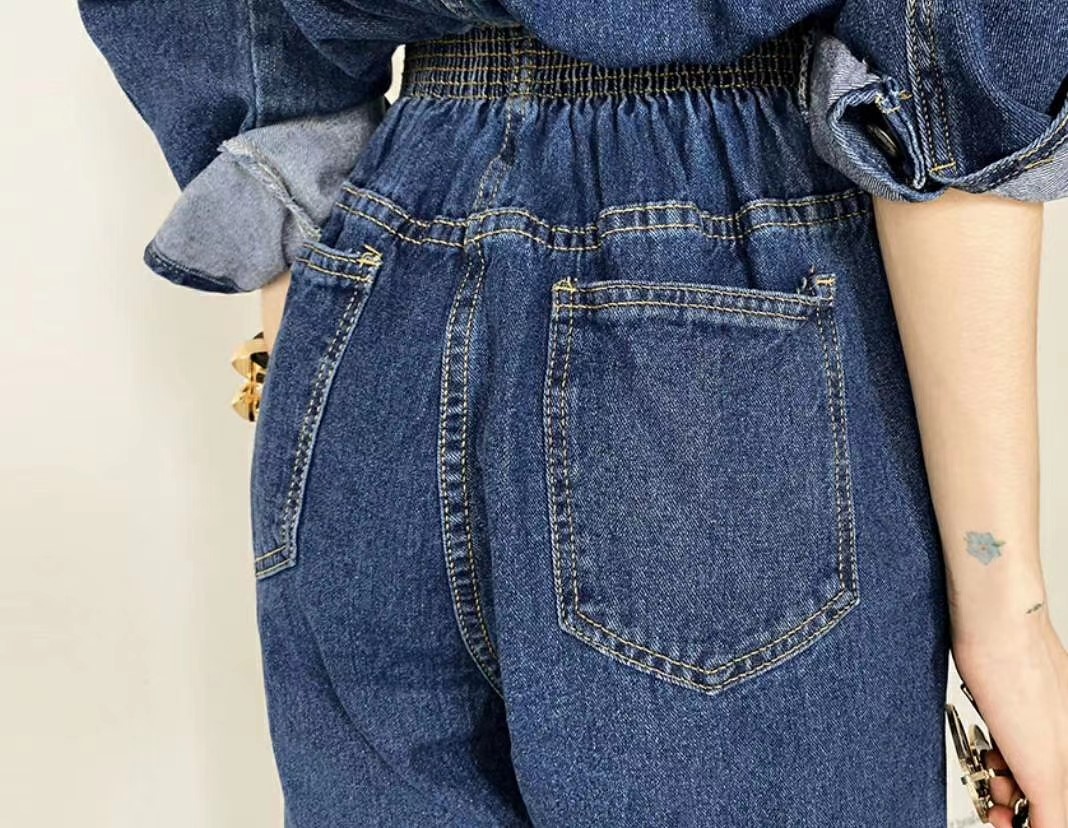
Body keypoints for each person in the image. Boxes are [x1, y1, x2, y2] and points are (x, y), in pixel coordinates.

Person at [80, 2, 1067, 826]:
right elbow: (946, 76)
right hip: (728, 273)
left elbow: (249, 68)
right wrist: (1007, 618)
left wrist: (303, 334)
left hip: (376, 276)